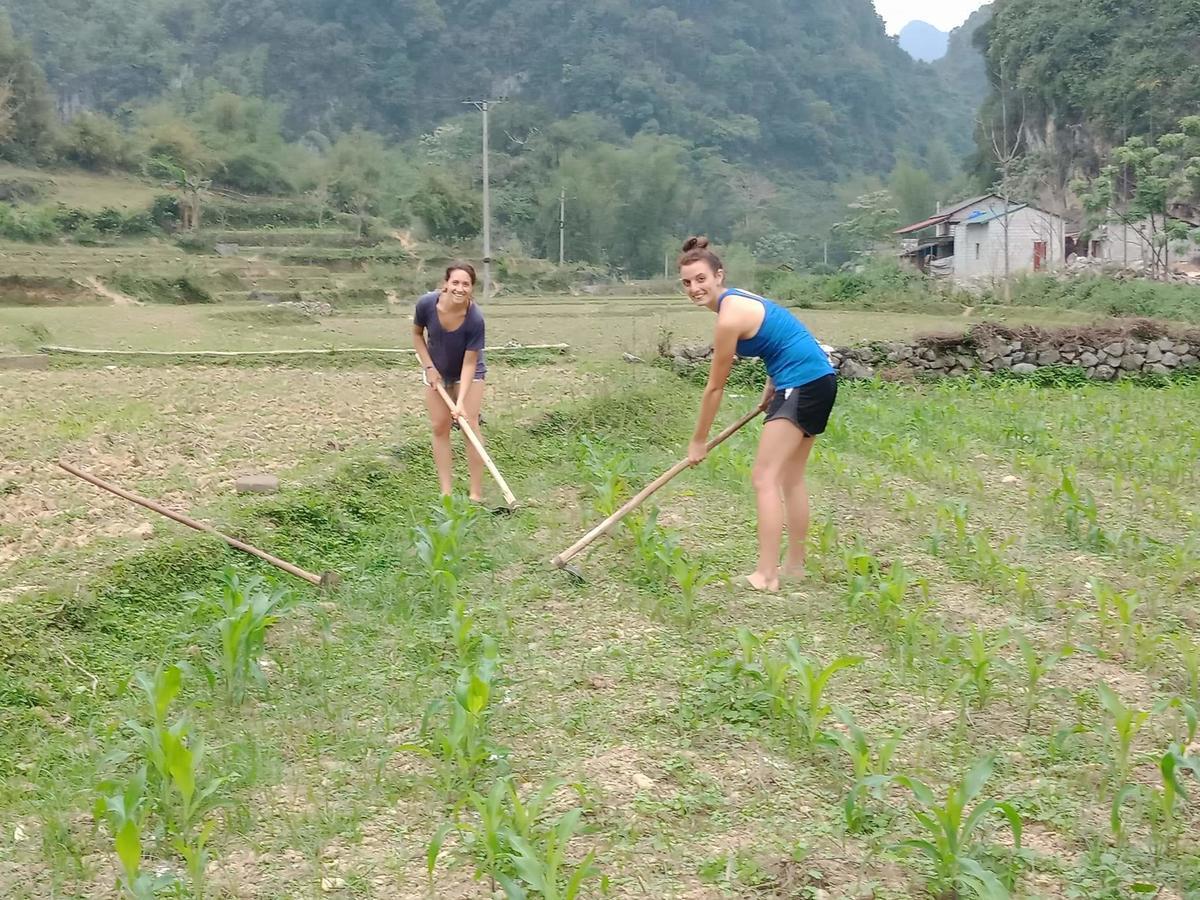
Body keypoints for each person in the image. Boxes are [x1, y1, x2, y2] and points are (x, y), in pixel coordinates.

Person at [678, 237, 837, 592]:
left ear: (719, 276)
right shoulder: (739, 298)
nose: (694, 288)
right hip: (815, 380)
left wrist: (698, 441)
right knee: (790, 478)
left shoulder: (728, 319)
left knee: (765, 478)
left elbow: (715, 388)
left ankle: (766, 576)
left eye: (701, 279)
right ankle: (794, 566)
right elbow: (781, 335)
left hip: (803, 382)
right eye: (687, 282)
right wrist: (772, 385)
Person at [412, 262, 488, 501]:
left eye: (466, 284)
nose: (460, 288)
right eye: (455, 282)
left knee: (470, 427)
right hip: (436, 371)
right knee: (439, 427)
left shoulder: (475, 319)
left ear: (471, 289)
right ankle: (446, 492)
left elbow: (469, 364)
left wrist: (461, 402)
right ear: (445, 284)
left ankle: (475, 493)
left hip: (470, 374)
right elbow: (417, 335)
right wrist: (429, 368)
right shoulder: (426, 304)